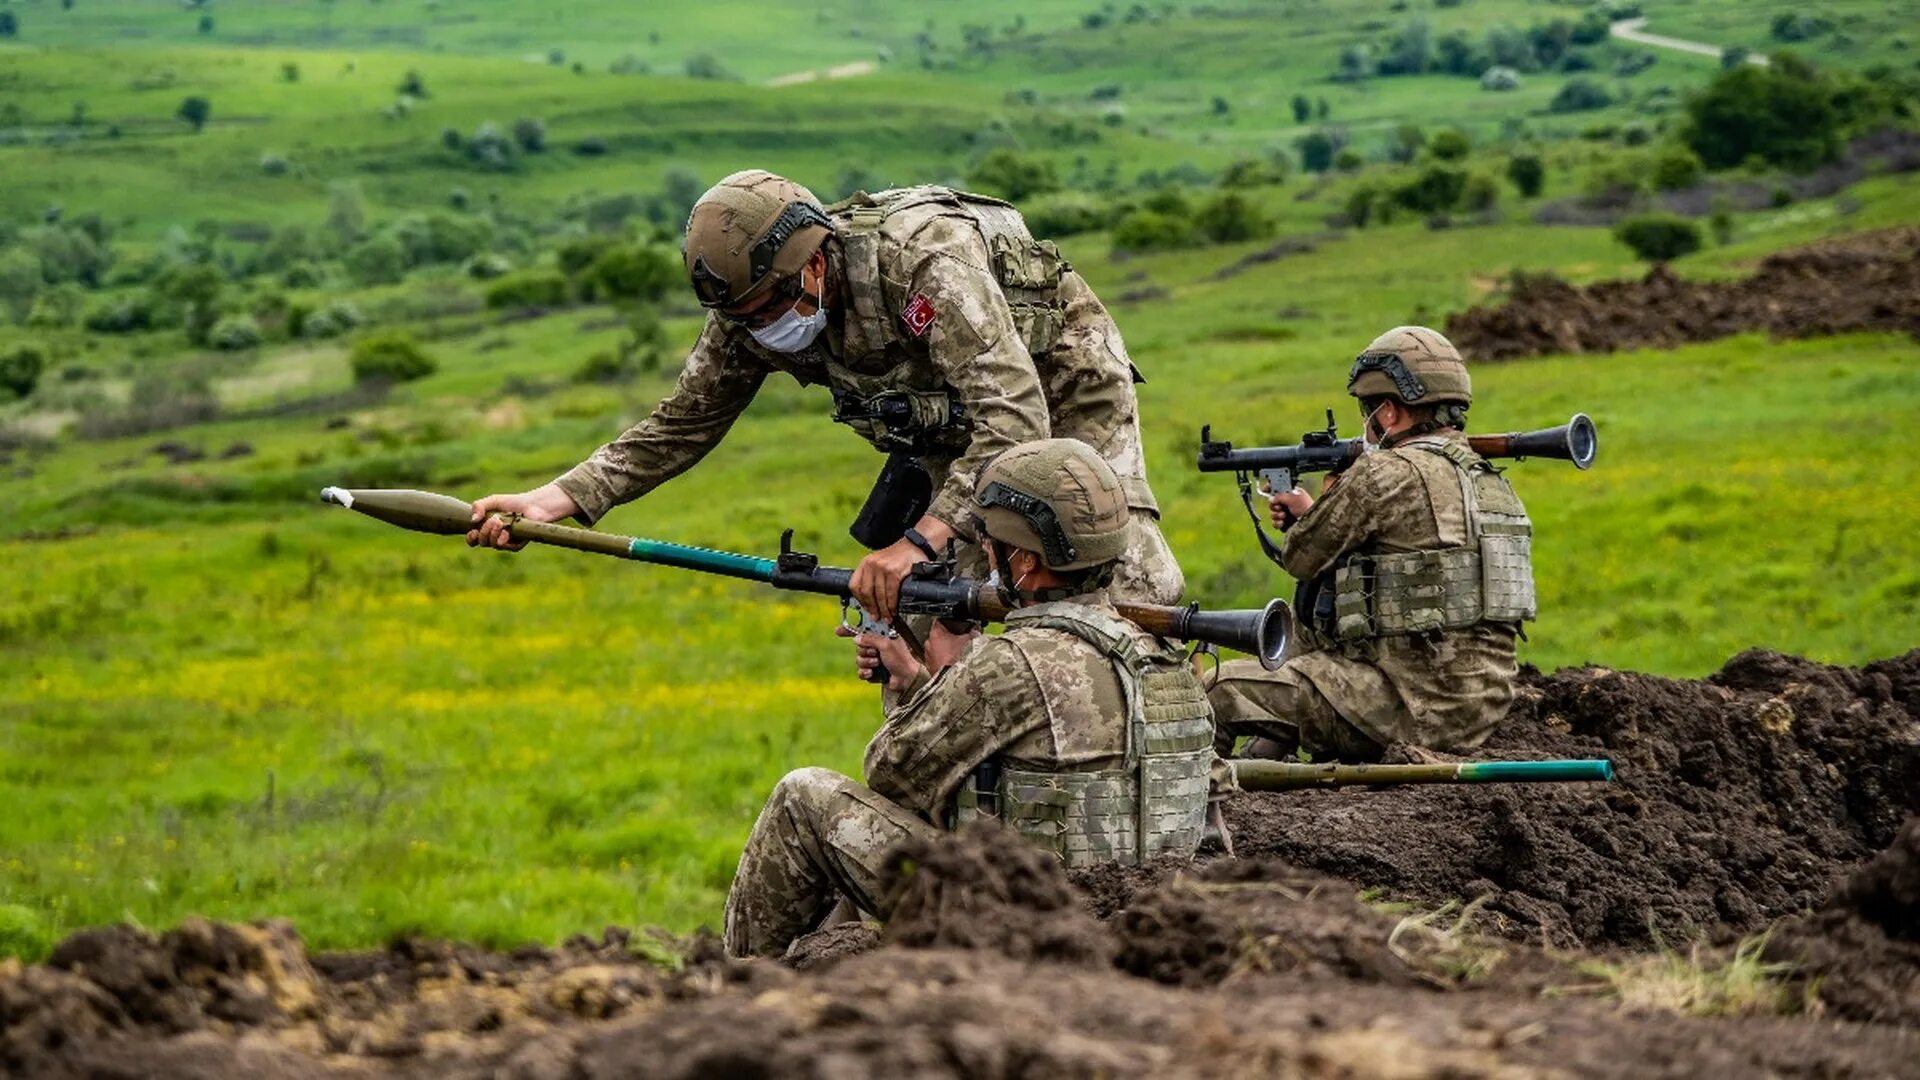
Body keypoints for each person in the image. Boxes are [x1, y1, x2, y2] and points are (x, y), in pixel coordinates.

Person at [467, 170, 1183, 623]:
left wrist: (917, 540)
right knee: (965, 603)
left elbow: (1015, 419)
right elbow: (682, 422)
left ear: (814, 264)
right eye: (742, 319)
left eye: (769, 308)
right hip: (947, 428)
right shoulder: (747, 312)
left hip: (1057, 390)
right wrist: (556, 499)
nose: (760, 331)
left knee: (1118, 578)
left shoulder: (922, 260)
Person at [723, 438, 1213, 959]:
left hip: (1026, 931)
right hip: (1148, 924)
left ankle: (732, 983)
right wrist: (913, 677)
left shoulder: (1008, 664)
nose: (984, 553)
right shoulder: (1167, 656)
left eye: (991, 542)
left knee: (803, 799)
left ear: (1024, 561)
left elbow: (893, 773)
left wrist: (929, 682)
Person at [1208, 326, 1535, 763]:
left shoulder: (1384, 474)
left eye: (1368, 410)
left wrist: (1324, 502)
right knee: (1312, 627)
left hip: (1405, 710)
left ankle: (1210, 811)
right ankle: (1264, 755)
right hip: (1480, 708)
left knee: (1216, 692)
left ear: (1389, 412)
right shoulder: (1495, 486)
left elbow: (1302, 556)